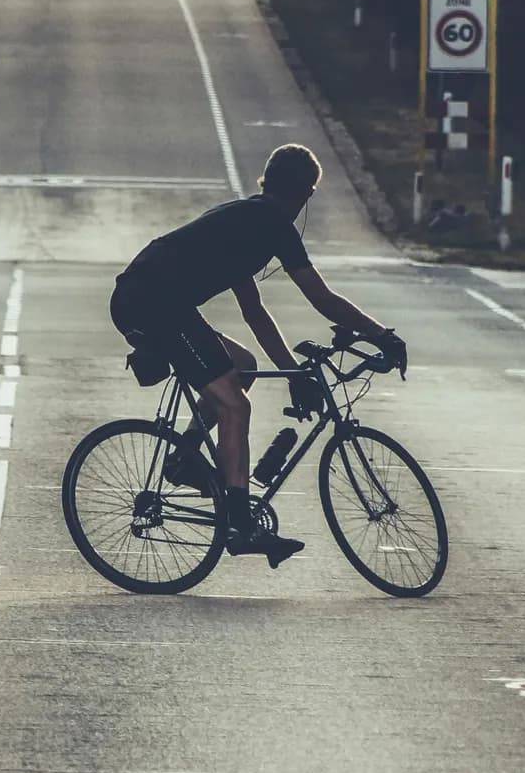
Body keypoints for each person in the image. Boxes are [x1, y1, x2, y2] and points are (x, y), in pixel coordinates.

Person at [109, 144, 406, 566]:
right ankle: (239, 522)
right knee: (235, 404)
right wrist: (382, 336)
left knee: (244, 366)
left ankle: (184, 458)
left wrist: (290, 371)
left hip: (149, 298)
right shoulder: (273, 224)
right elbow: (321, 297)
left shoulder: (249, 218)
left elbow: (254, 310)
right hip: (152, 303)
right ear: (307, 194)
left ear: (268, 179)